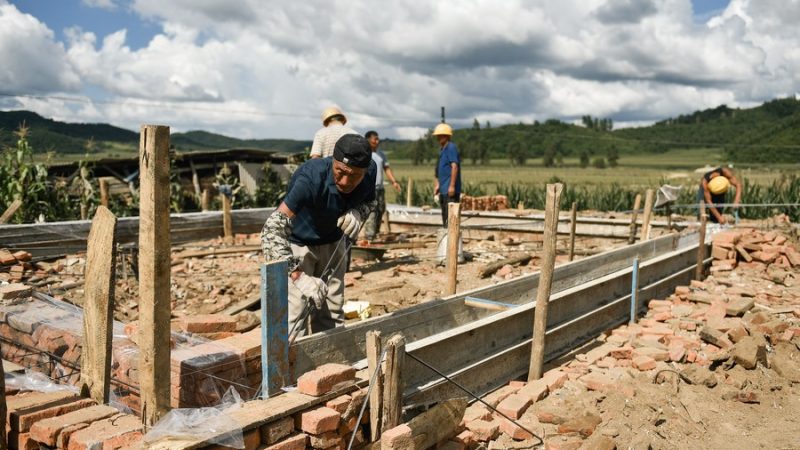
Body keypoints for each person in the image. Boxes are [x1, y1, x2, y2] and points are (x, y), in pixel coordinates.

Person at [261, 134, 377, 337]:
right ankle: (294, 365)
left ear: (365, 171)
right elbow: (272, 229)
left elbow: (370, 201)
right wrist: (297, 275)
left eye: (355, 176)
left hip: (333, 242)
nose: (345, 181)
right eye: (340, 172)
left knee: (332, 309)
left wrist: (360, 213)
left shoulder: (370, 171)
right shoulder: (310, 178)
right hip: (299, 244)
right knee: (295, 314)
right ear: (333, 160)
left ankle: (332, 363)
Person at [363, 130, 401, 241]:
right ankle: (369, 236)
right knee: (371, 211)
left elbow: (386, 169)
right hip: (369, 188)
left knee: (380, 209)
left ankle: (375, 233)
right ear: (368, 140)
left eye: (378, 138)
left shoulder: (381, 154)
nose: (377, 141)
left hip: (380, 188)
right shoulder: (365, 153)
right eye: (375, 139)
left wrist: (394, 182)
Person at [432, 123, 461, 227]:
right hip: (444, 190)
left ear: (447, 136)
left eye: (441, 135)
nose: (439, 138)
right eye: (438, 136)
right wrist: (438, 185)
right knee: (445, 219)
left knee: (451, 220)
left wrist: (452, 186)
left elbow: (454, 166)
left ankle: (452, 241)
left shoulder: (451, 147)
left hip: (450, 191)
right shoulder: (442, 150)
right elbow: (439, 170)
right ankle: (446, 240)